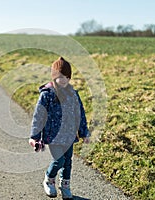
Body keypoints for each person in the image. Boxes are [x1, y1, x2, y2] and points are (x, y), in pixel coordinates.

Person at [29, 57, 90, 199]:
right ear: (55, 77)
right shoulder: (47, 95)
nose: (64, 80)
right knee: (59, 160)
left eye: (67, 77)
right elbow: (39, 117)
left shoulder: (73, 94)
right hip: (53, 136)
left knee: (68, 162)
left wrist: (84, 132)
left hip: (69, 135)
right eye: (61, 77)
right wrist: (35, 136)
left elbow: (79, 114)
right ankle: (49, 180)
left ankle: (65, 186)